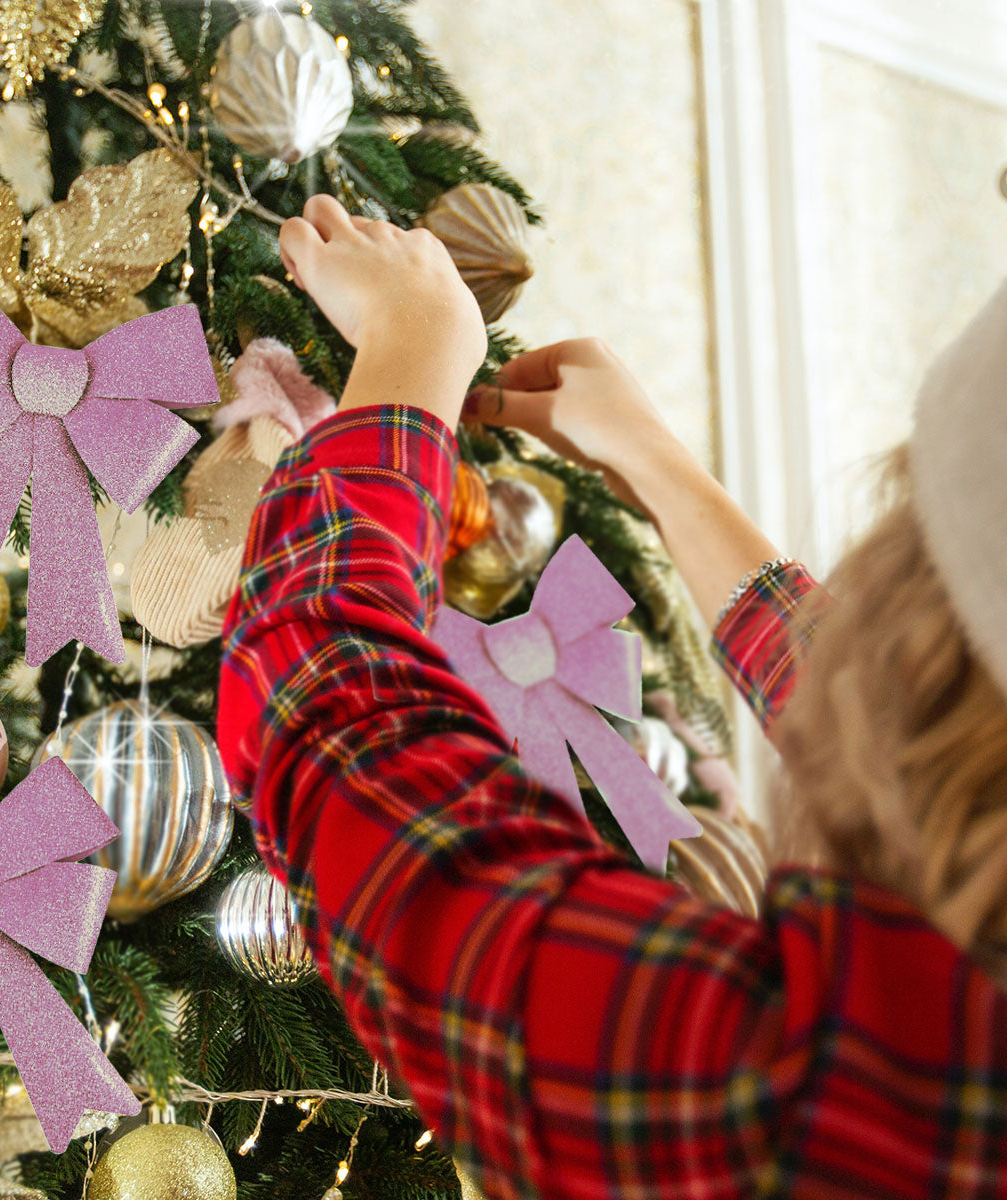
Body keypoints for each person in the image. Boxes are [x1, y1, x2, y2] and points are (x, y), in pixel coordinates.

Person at [216, 192, 1007, 1199]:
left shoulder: (829, 1105)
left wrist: (413, 346)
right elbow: (872, 709)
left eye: (910, 552)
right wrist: (662, 469)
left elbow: (337, 729)